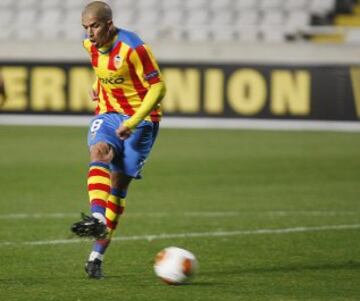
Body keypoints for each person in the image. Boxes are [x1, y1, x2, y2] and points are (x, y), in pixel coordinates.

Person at [71, 1, 166, 279]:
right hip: (108, 113)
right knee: (98, 151)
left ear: (109, 25)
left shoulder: (134, 48)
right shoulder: (90, 46)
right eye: (85, 27)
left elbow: (158, 87)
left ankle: (96, 256)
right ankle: (97, 218)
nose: (90, 33)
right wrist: (95, 87)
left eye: (95, 26)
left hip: (141, 120)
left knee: (117, 190)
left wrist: (133, 122)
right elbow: (103, 74)